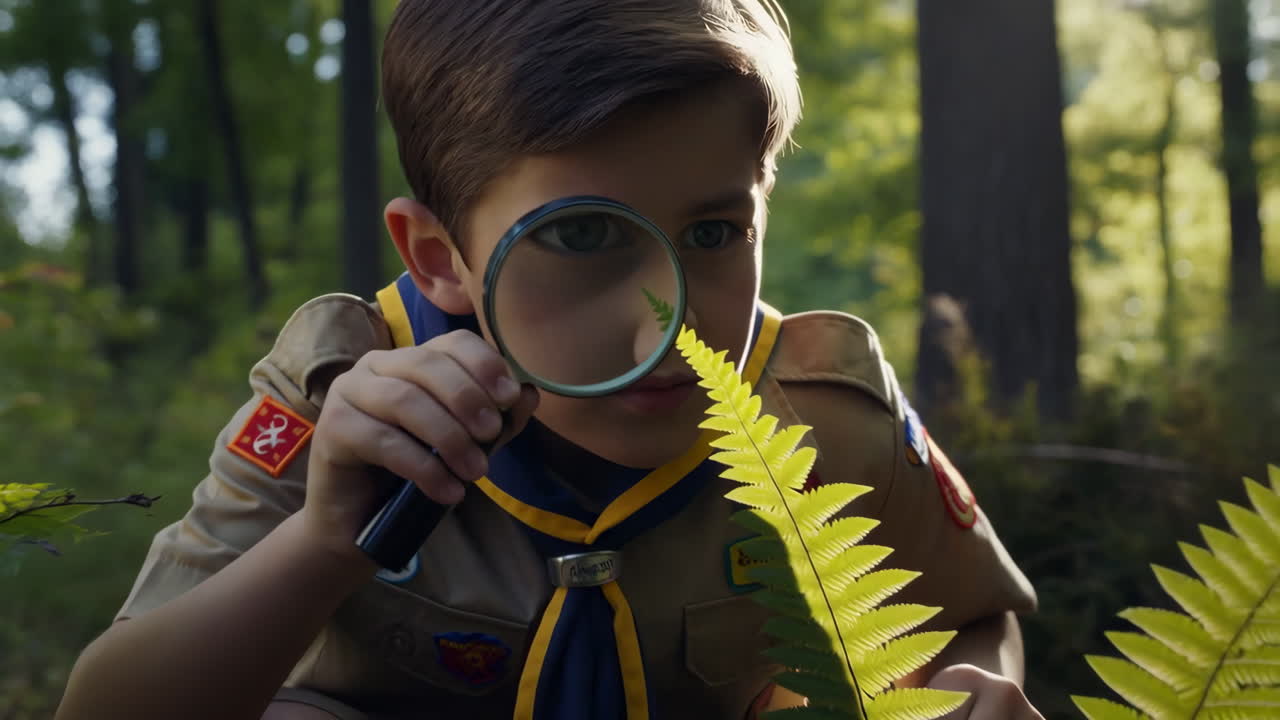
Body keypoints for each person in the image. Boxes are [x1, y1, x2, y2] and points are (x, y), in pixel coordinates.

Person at [56, 2, 1043, 718]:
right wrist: (322, 543)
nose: (665, 322)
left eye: (711, 236)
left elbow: (971, 618)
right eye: (579, 239)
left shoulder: (823, 414)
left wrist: (952, 694)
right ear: (440, 259)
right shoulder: (341, 403)